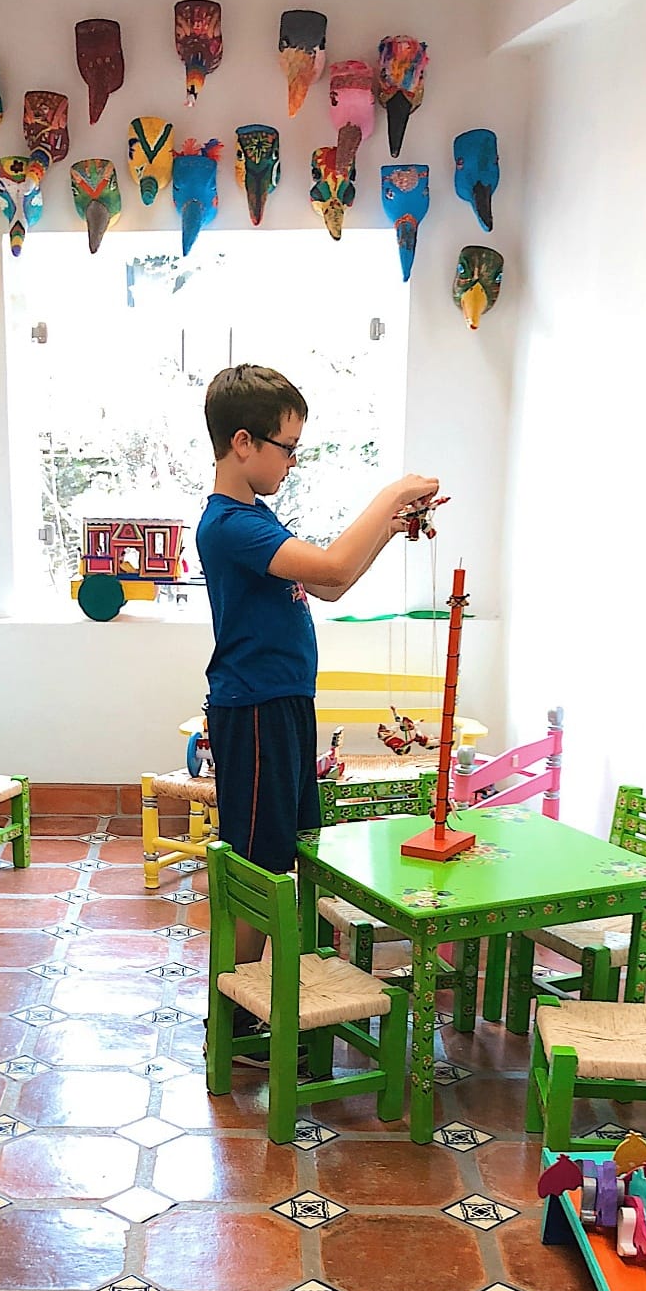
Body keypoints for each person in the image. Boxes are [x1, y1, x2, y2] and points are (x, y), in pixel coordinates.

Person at [198, 363, 440, 974]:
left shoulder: (256, 518)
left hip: (281, 704)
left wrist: (390, 527)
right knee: (258, 864)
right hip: (254, 708)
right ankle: (235, 1012)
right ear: (243, 443)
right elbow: (331, 569)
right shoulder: (230, 526)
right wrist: (389, 494)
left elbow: (329, 586)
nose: (292, 463)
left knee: (281, 851)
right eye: (287, 448)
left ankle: (261, 996)